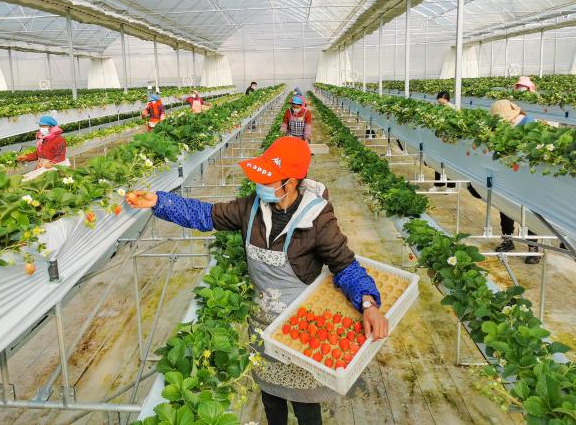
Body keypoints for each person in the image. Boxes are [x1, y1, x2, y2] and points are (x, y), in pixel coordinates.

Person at [126, 136, 388, 425]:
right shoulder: (251, 207)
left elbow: (345, 265)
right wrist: (160, 202)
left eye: (268, 178)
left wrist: (368, 303)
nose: (260, 184)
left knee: (305, 404)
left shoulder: (317, 218)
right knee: (271, 397)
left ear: (290, 183)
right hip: (262, 324)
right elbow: (206, 215)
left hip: (300, 326)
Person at [469, 100, 539, 264]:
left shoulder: (530, 124)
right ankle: (508, 239)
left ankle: (533, 247)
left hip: (527, 174)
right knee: (505, 204)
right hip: (507, 172)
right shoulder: (503, 126)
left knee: (530, 210)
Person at [429, 91, 456, 192]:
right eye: (439, 102)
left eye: (443, 103)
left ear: (447, 101)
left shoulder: (453, 108)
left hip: (449, 139)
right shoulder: (434, 107)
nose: (440, 104)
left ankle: (451, 186)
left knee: (449, 162)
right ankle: (438, 184)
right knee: (437, 160)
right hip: (438, 138)